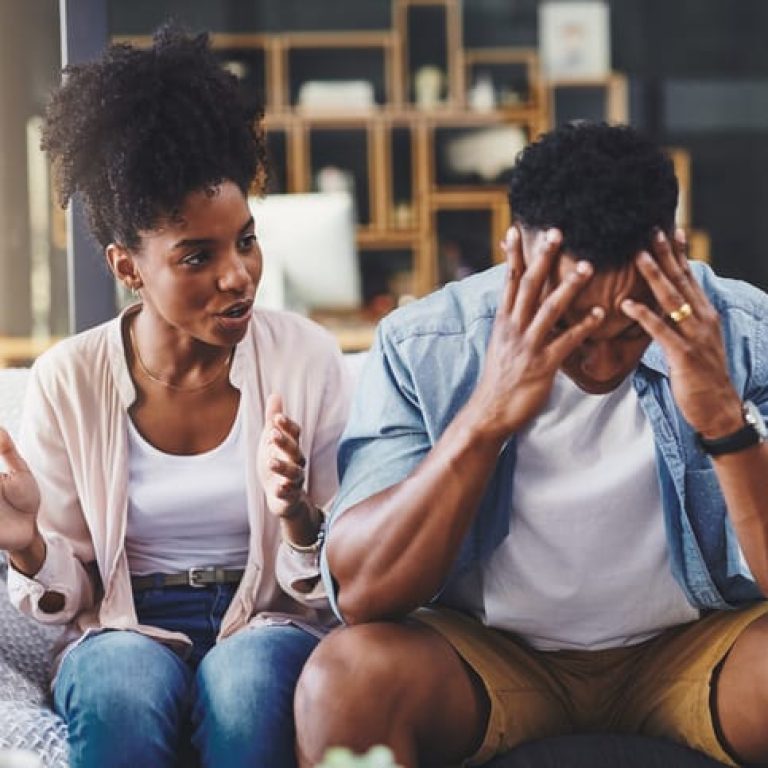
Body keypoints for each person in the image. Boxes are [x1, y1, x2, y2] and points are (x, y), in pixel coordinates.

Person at [294, 122, 768, 768]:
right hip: (490, 656)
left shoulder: (746, 334)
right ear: (517, 254)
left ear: (674, 261)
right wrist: (486, 415)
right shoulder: (425, 345)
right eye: (572, 323)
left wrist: (723, 420)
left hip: (694, 646)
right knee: (345, 683)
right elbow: (364, 593)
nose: (600, 363)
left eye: (629, 327)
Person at [0, 25, 350, 768]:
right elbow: (71, 596)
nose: (238, 275)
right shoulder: (70, 378)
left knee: (248, 683)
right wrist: (30, 543)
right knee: (120, 683)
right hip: (127, 625)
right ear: (128, 265)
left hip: (270, 621)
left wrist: (299, 519)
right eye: (198, 256)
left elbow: (337, 587)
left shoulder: (308, 359)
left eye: (246, 241)